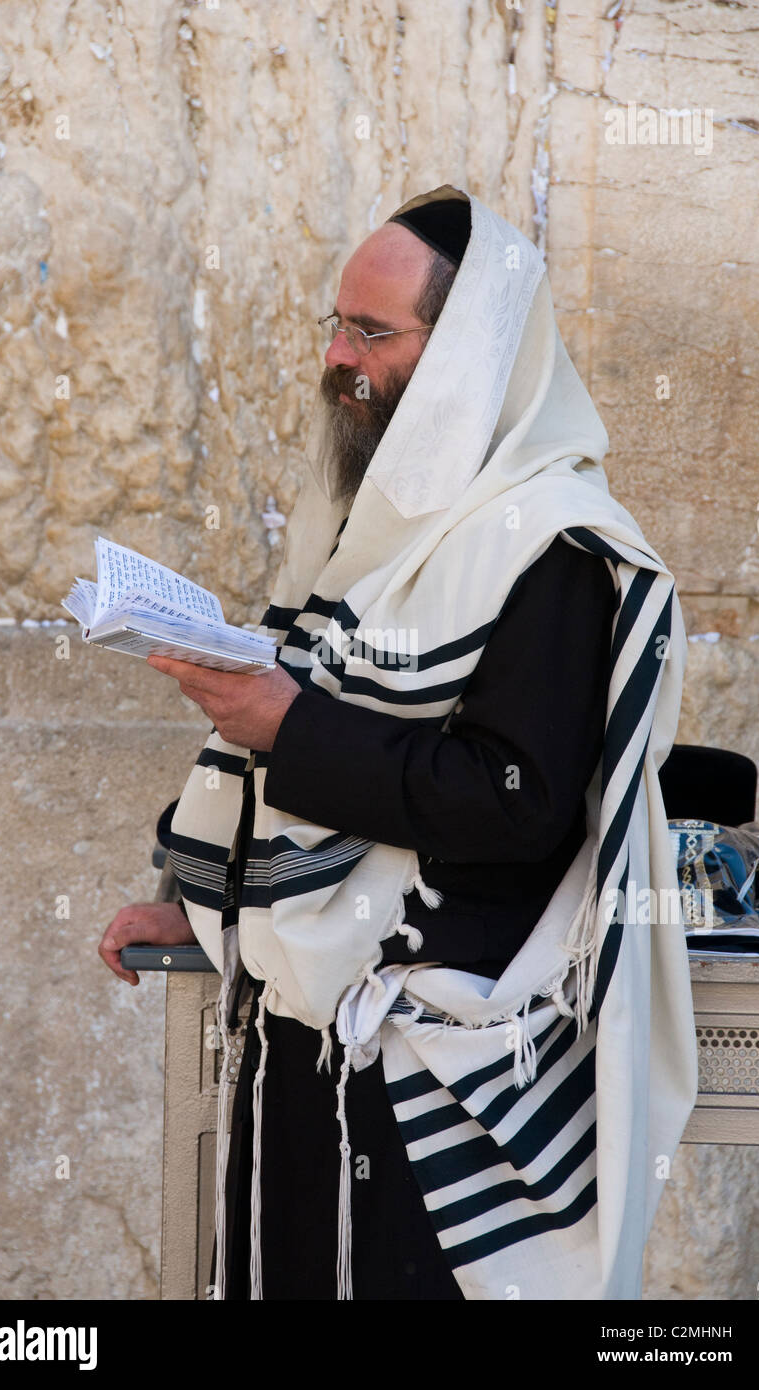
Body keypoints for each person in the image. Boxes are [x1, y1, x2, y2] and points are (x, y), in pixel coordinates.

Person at [99, 185, 697, 1301]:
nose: (337, 357)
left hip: (437, 1070)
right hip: (303, 1047)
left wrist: (286, 723)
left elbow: (512, 802)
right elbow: (306, 737)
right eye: (335, 325)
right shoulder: (363, 523)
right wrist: (195, 893)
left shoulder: (553, 544)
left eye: (370, 331)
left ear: (470, 351)